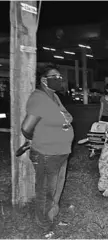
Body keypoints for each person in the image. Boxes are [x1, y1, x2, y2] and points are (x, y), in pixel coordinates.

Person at [21, 63, 74, 231]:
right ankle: (44, 226)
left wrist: (63, 122)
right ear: (44, 80)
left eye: (60, 77)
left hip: (61, 152)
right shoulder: (38, 98)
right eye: (55, 77)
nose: (60, 80)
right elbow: (26, 128)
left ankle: (51, 217)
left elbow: (68, 117)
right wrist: (37, 140)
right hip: (46, 154)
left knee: (56, 189)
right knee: (46, 191)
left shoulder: (54, 97)